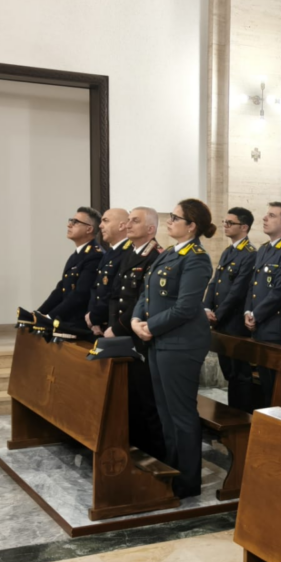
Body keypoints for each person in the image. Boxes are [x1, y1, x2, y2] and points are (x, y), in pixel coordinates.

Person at [131, 199, 215, 499]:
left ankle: (188, 481)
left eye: (175, 218)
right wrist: (136, 319)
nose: (169, 222)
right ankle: (171, 469)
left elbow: (185, 307)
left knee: (180, 414)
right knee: (165, 413)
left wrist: (149, 327)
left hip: (181, 345)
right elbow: (147, 291)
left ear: (191, 225)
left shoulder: (196, 259)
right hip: (160, 341)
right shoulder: (169, 254)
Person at [106, 207, 165, 461]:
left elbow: (142, 299)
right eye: (128, 220)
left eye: (135, 221)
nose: (128, 225)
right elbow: (116, 294)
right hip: (120, 334)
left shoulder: (156, 256)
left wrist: (117, 327)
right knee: (128, 395)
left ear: (150, 229)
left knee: (145, 399)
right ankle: (135, 447)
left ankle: (154, 456)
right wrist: (112, 327)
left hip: (138, 336)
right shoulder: (130, 254)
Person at [245, 202, 281, 406]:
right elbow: (253, 285)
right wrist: (248, 311)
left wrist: (255, 315)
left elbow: (280, 291)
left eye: (271, 216)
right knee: (264, 384)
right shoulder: (264, 249)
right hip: (259, 326)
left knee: (274, 386)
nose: (264, 218)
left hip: (273, 327)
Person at [204, 207, 256, 412]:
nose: (225, 226)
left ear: (244, 227)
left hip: (233, 321)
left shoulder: (250, 254)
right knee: (228, 371)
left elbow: (237, 291)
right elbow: (214, 282)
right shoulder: (229, 251)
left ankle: (241, 416)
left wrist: (217, 315)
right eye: (224, 222)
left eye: (230, 223)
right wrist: (205, 307)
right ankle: (230, 413)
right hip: (221, 321)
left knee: (239, 373)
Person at [36, 207, 103, 334]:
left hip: (79, 322)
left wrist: (50, 317)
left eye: (75, 222)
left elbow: (80, 295)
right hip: (67, 318)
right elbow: (61, 288)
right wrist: (40, 314)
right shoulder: (76, 255)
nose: (69, 224)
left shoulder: (95, 255)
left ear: (89, 229)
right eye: (70, 220)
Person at [86, 208, 132, 337]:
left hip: (115, 324)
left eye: (105, 221)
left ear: (122, 226)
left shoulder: (128, 253)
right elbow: (96, 288)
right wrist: (92, 316)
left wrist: (96, 316)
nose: (100, 226)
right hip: (100, 323)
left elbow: (116, 291)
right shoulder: (110, 252)